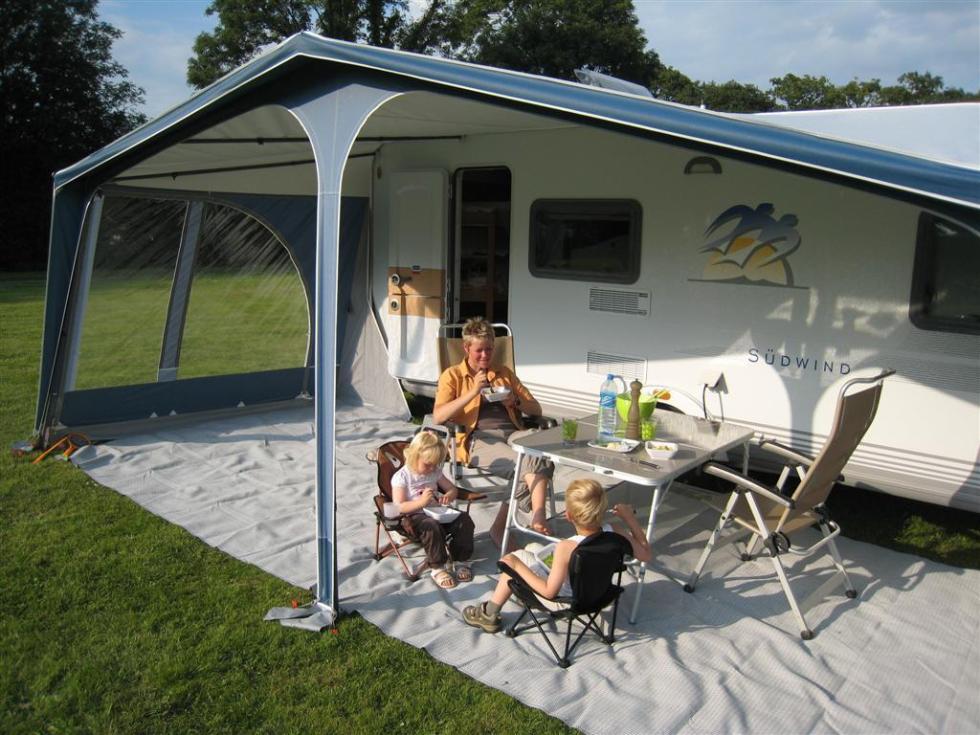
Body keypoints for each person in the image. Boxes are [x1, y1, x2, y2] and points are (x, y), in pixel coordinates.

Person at [461, 479, 652, 633]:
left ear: (568, 516)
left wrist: (515, 565)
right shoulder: (615, 531)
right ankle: (515, 588)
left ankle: (489, 614)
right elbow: (645, 554)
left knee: (514, 558)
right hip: (599, 593)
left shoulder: (566, 547)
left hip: (566, 601)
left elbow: (549, 593)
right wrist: (630, 519)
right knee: (533, 547)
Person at [432, 317, 553, 545]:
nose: (485, 355)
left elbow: (536, 409)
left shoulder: (503, 372)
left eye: (489, 349)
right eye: (479, 350)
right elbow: (438, 416)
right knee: (526, 463)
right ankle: (532, 517)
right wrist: (472, 392)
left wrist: (515, 401)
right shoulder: (453, 375)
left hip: (513, 433)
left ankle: (519, 521)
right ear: (466, 348)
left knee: (538, 448)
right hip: (478, 439)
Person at [391, 431, 475, 589]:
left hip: (438, 513)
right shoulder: (402, 477)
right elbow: (399, 506)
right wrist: (421, 502)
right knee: (431, 525)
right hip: (413, 519)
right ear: (414, 456)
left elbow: (452, 489)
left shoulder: (435, 472)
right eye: (428, 464)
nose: (431, 468)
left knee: (464, 519)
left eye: (435, 464)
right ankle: (437, 567)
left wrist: (449, 495)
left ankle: (461, 559)